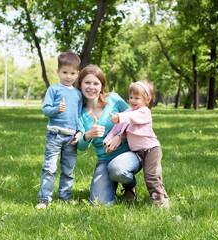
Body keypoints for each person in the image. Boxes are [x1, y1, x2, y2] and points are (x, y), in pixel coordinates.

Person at [76, 64, 141, 205]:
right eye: (87, 82)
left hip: (129, 154)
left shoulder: (114, 99)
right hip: (104, 160)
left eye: (95, 83)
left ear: (102, 86)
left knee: (117, 169)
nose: (91, 87)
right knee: (99, 203)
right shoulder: (79, 112)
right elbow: (80, 146)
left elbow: (136, 118)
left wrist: (120, 135)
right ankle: (112, 181)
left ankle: (129, 185)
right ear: (80, 84)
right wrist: (88, 136)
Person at [104, 79, 169, 207]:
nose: (132, 101)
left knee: (151, 177)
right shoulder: (127, 113)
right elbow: (115, 129)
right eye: (131, 97)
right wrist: (107, 140)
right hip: (138, 153)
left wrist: (120, 117)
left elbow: (134, 118)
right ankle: (153, 195)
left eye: (137, 98)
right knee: (151, 176)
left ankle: (160, 201)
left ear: (147, 100)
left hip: (151, 150)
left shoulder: (144, 112)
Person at [35, 52, 83, 210]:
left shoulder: (77, 94)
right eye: (64, 72)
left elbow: (79, 115)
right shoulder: (53, 89)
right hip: (55, 135)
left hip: (71, 137)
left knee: (68, 170)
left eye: (72, 73)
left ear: (77, 74)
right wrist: (57, 109)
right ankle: (44, 199)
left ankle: (64, 197)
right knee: (50, 167)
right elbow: (46, 110)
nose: (68, 77)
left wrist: (79, 131)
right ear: (58, 72)